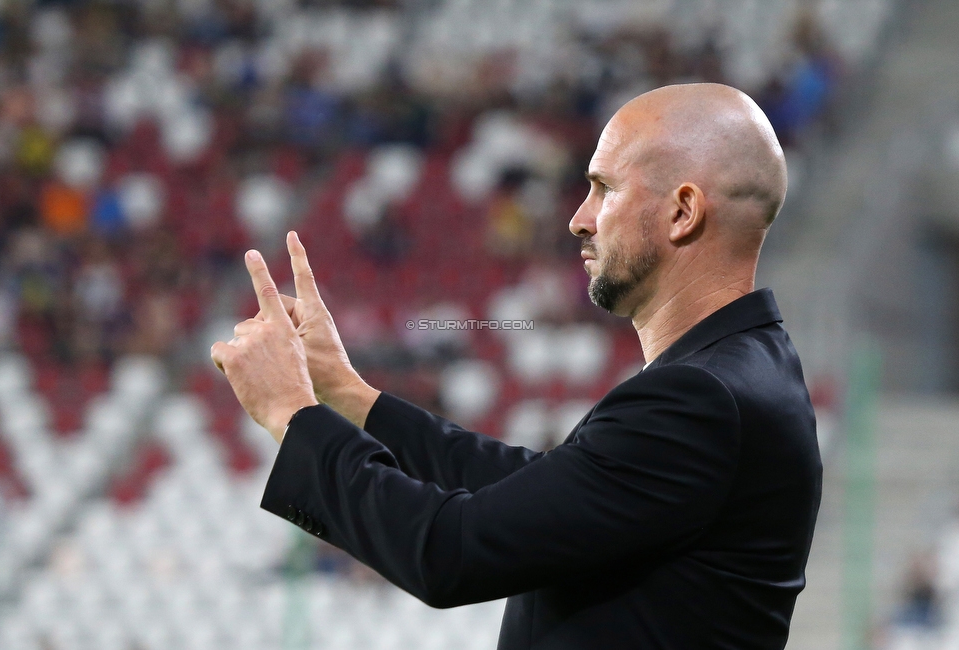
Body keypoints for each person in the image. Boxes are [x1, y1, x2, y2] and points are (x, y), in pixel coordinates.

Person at [211, 83, 822, 649]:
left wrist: (292, 416)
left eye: (605, 189)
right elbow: (530, 490)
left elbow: (451, 552)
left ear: (683, 211)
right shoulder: (737, 374)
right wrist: (347, 394)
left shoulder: (702, 398)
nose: (579, 218)